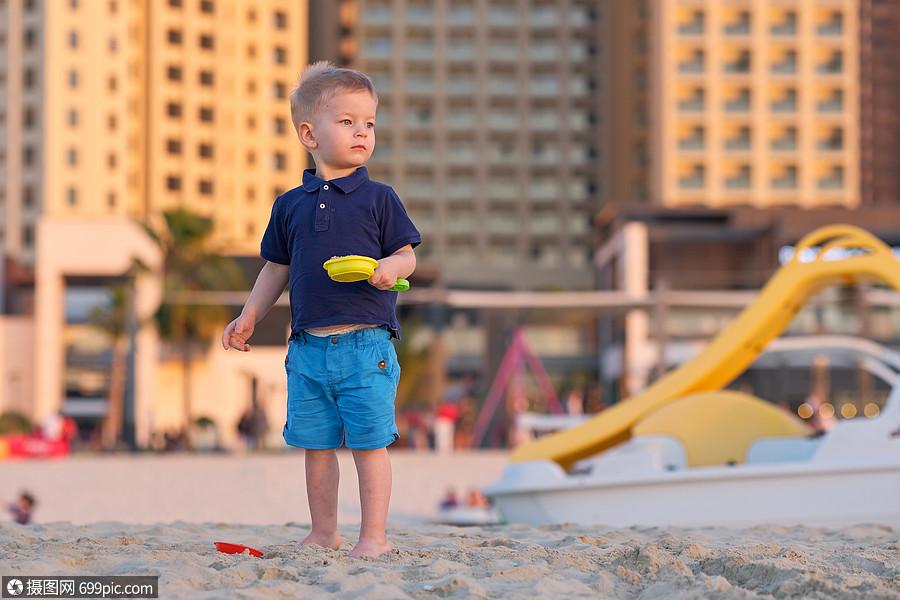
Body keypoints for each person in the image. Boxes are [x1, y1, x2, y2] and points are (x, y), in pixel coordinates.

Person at [221, 62, 420, 559]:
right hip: (307, 347)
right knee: (316, 445)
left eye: (369, 123)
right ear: (309, 133)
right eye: (348, 122)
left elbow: (409, 254)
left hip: (365, 343)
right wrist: (249, 317)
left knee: (370, 445)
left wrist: (388, 265)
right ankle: (324, 531)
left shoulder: (379, 198)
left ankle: (373, 536)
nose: (362, 132)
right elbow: (274, 270)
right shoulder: (289, 204)